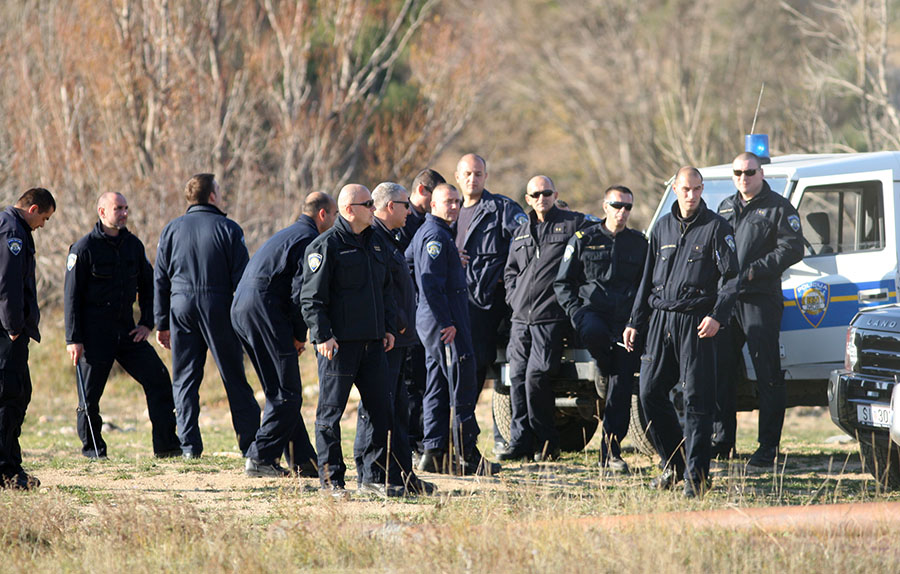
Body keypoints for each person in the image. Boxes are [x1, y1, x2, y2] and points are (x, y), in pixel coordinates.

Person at [623, 167, 739, 497]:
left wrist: (717, 316)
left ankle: (697, 478)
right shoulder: (661, 227)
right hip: (661, 320)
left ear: (702, 189)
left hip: (696, 322)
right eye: (685, 189)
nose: (691, 195)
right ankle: (674, 463)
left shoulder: (717, 227)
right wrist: (635, 321)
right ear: (675, 188)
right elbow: (647, 279)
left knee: (696, 400)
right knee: (648, 392)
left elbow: (732, 279)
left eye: (697, 189)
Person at [300, 184, 401, 497]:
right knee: (330, 415)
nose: (374, 208)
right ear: (348, 209)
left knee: (379, 412)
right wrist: (323, 336)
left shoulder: (376, 243)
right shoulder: (326, 246)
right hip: (339, 347)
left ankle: (372, 478)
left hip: (373, 344)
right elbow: (311, 298)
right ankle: (332, 482)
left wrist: (386, 328)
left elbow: (384, 291)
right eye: (368, 203)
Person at [64, 192, 180, 459]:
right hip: (94, 337)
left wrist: (147, 323)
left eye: (127, 208)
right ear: (102, 212)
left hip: (127, 333)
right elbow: (71, 297)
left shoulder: (133, 246)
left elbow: (149, 287)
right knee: (89, 398)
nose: (125, 213)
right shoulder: (83, 249)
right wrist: (73, 339)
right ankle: (94, 451)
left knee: (160, 381)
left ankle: (167, 447)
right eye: (118, 208)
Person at [230, 192, 336, 478]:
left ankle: (305, 462)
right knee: (287, 393)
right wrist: (299, 334)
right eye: (335, 214)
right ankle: (260, 456)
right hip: (265, 310)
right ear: (323, 214)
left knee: (280, 391)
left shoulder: (289, 233)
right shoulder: (309, 240)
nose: (336, 221)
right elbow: (300, 292)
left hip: (242, 307)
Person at [154, 173, 259, 459]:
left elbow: (160, 278)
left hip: (181, 306)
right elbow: (244, 280)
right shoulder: (229, 228)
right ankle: (250, 445)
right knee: (234, 376)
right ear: (212, 196)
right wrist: (244, 320)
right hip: (219, 306)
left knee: (185, 379)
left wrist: (161, 322)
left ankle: (189, 446)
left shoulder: (171, 229)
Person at [713, 152, 804, 466]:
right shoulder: (725, 206)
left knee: (767, 373)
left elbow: (793, 248)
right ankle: (722, 442)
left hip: (760, 298)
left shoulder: (778, 207)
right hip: (727, 301)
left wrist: (752, 270)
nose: (743, 178)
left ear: (761, 172)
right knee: (721, 372)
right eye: (737, 172)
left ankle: (768, 448)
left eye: (749, 172)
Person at [408, 183, 500, 476]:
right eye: (448, 202)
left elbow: (407, 263)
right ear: (433, 204)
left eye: (457, 202)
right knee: (461, 384)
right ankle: (467, 455)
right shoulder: (435, 235)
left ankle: (433, 452)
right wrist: (446, 322)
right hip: (443, 323)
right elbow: (430, 284)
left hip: (434, 320)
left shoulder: (434, 233)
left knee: (436, 386)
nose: (454, 207)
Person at [554, 185, 647, 473]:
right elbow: (563, 283)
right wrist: (576, 312)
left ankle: (611, 452)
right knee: (596, 338)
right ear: (605, 206)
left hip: (625, 322)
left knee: (620, 384)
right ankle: (603, 367)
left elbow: (645, 286)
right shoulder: (584, 238)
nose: (622, 212)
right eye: (617, 205)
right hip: (591, 314)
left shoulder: (639, 243)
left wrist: (637, 320)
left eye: (628, 207)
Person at [352, 182, 435, 495]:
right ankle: (371, 474)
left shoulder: (391, 240)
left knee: (399, 408)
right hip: (386, 339)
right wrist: (396, 324)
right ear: (389, 207)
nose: (409, 210)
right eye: (404, 204)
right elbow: (378, 292)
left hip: (400, 340)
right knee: (377, 407)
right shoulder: (374, 242)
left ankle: (401, 474)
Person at [499, 176, 585, 462]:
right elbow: (510, 271)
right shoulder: (521, 232)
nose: (541, 198)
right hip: (521, 319)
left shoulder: (572, 224)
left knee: (537, 377)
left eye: (546, 193)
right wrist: (513, 298)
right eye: (536, 194)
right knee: (516, 377)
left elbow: (601, 234)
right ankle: (520, 443)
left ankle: (547, 445)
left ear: (555, 194)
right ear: (528, 198)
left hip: (551, 318)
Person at [453, 153, 527, 452]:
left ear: (486, 176)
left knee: (487, 370)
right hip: (458, 303)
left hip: (491, 304)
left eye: (479, 173)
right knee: (462, 372)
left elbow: (524, 246)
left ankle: (494, 437)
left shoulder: (501, 208)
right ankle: (456, 437)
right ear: (458, 176)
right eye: (468, 174)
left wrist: (503, 280)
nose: (473, 179)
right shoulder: (449, 210)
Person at [0, 188, 54, 489]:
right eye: (44, 218)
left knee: (18, 394)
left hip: (11, 328)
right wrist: (13, 326)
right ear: (33, 209)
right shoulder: (12, 231)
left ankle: (11, 466)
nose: (43, 225)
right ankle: (6, 472)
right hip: (7, 330)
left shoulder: (10, 225)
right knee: (10, 395)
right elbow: (7, 282)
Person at [397, 168, 445, 460]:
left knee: (423, 380)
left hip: (421, 313)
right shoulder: (405, 224)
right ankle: (414, 442)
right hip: (409, 313)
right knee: (412, 382)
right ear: (424, 192)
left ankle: (424, 440)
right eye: (436, 197)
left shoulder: (427, 223)